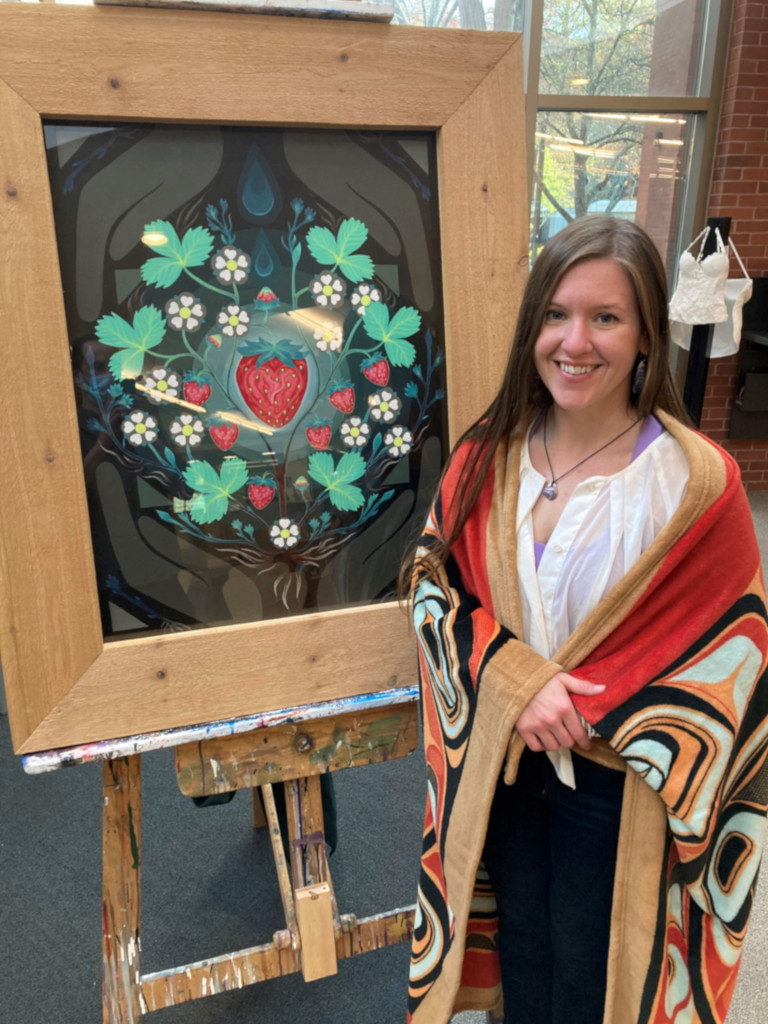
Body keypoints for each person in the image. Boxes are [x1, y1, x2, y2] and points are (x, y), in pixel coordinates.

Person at [404, 216, 768, 1024]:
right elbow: (434, 590)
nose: (575, 341)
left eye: (605, 317)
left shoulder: (694, 485)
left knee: (598, 976)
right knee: (524, 956)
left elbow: (736, 655)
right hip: (502, 769)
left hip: (624, 787)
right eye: (556, 314)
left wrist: (603, 712)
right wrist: (517, 683)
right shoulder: (488, 456)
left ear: (646, 336)